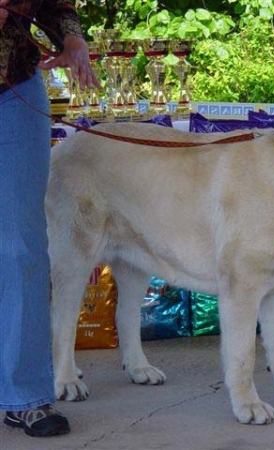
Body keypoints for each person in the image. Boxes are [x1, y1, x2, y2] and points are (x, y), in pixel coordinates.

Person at [0, 0, 100, 437]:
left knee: (23, 246)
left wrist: (73, 39)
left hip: (15, 91)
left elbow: (57, 5)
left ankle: (26, 397)